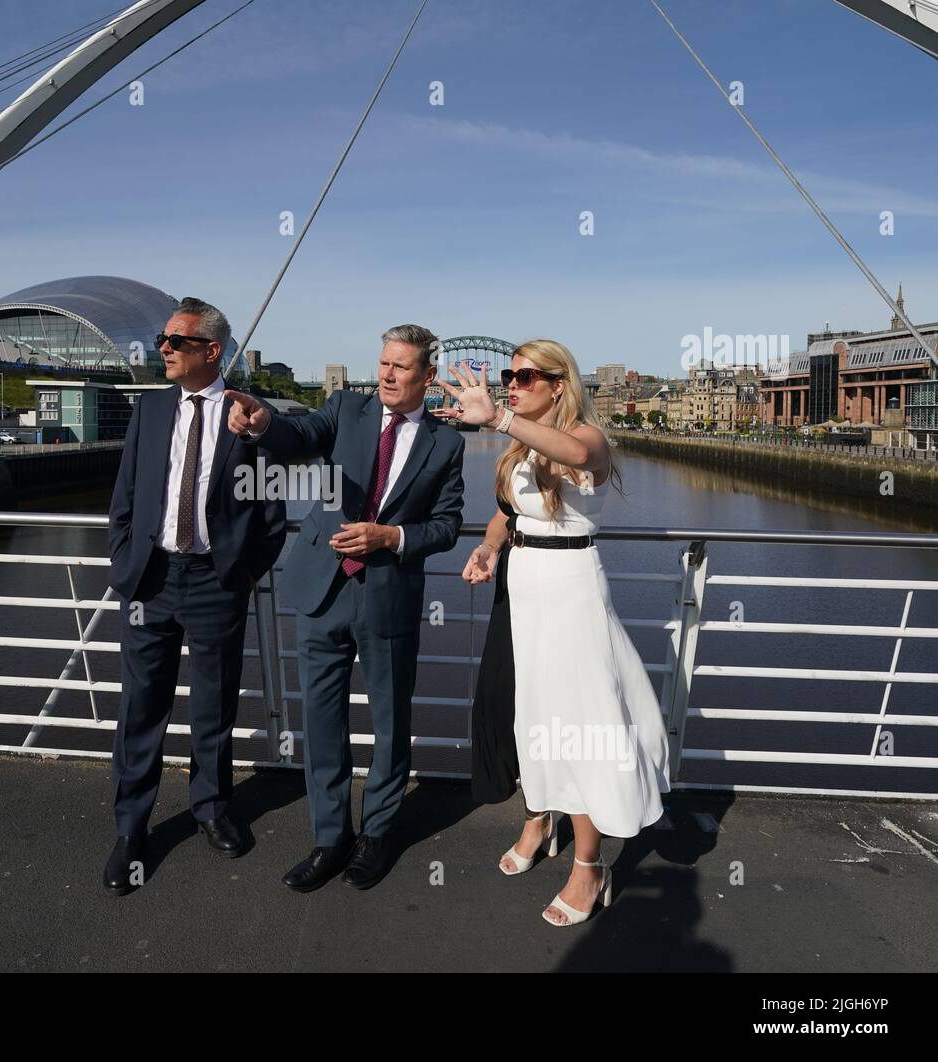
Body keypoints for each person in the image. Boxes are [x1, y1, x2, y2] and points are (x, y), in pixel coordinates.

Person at [435, 339, 670, 927]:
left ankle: (590, 866)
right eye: (510, 377)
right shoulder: (520, 448)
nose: (513, 384)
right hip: (525, 587)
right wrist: (488, 549)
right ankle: (540, 820)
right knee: (537, 717)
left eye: (526, 376)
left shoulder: (587, 438)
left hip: (571, 591)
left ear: (559, 384)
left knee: (581, 725)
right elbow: (511, 513)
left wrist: (499, 415)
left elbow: (572, 452)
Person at [227, 324, 464, 891]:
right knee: (322, 721)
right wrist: (262, 423)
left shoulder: (446, 443)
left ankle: (377, 835)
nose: (386, 374)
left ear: (427, 377)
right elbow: (295, 435)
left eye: (401, 367)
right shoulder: (345, 409)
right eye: (383, 362)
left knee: (390, 722)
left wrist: (391, 538)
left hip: (387, 596)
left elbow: (448, 525)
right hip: (321, 590)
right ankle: (329, 838)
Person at [103, 297, 287, 896]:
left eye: (175, 341)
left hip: (216, 580)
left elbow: (272, 511)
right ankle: (131, 827)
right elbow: (126, 495)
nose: (162, 349)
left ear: (211, 350)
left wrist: (244, 572)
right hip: (150, 579)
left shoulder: (250, 416)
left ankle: (210, 808)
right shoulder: (152, 412)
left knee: (213, 706)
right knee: (141, 706)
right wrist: (124, 560)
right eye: (162, 339)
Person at [461, 495, 520, 810]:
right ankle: (534, 815)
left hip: (562, 580)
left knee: (556, 703)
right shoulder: (517, 454)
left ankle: (554, 807)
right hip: (516, 580)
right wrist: (490, 547)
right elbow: (504, 516)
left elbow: (580, 456)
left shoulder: (579, 446)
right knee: (498, 691)